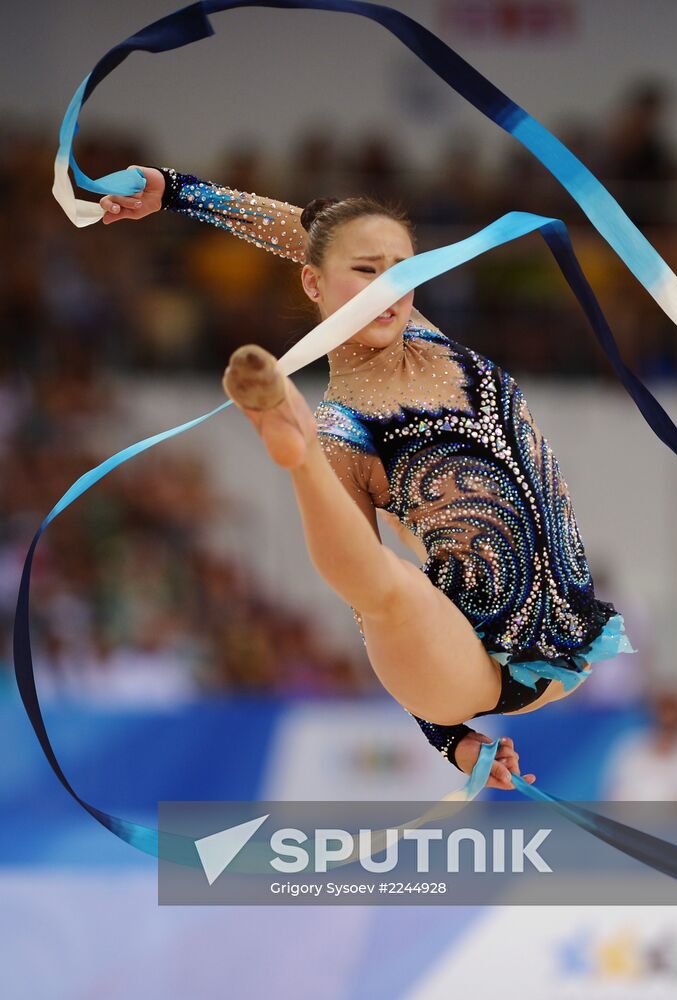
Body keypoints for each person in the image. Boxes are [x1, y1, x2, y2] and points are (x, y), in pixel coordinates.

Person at [98, 165, 634, 790]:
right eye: (365, 272)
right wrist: (449, 741)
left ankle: (293, 447)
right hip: (464, 661)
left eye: (402, 270)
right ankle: (294, 456)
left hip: (570, 630)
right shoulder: (345, 431)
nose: (389, 288)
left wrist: (178, 191)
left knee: (392, 589)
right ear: (313, 283)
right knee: (388, 588)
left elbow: (320, 240)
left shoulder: (428, 340)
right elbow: (367, 607)